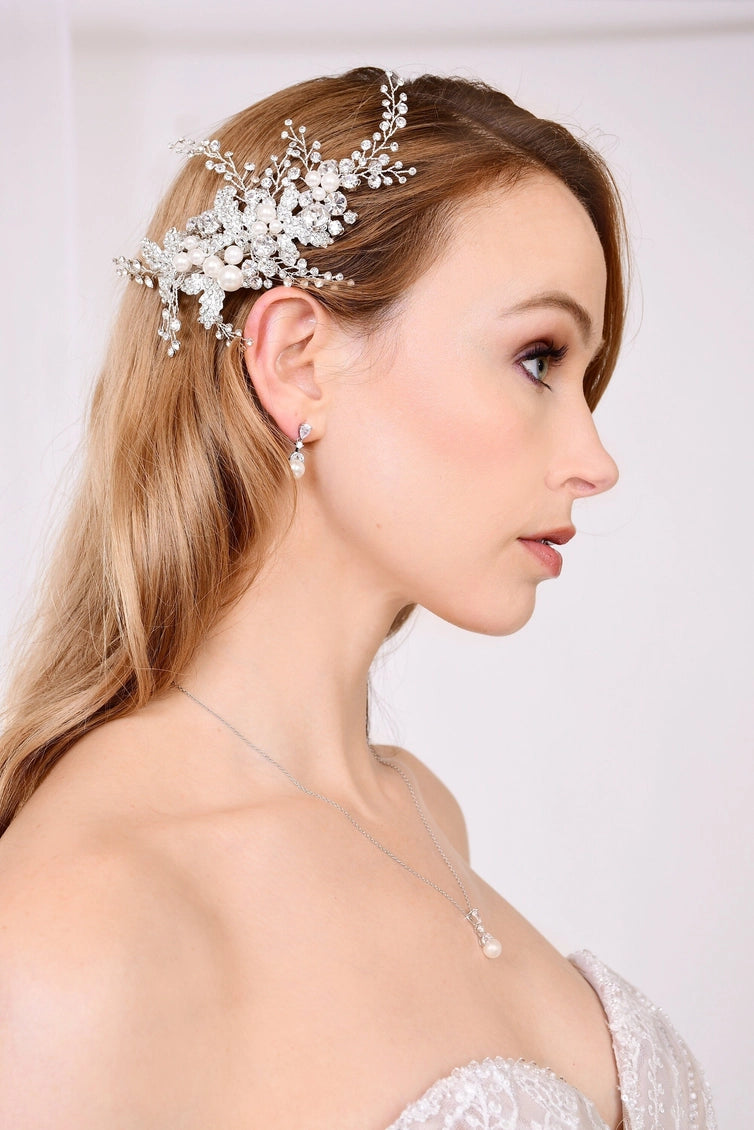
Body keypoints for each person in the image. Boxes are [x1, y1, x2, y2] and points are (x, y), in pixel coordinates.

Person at [0, 66, 715, 1129]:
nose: (595, 457)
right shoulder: (86, 913)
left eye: (585, 374)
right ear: (296, 359)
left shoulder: (420, 809)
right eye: (535, 356)